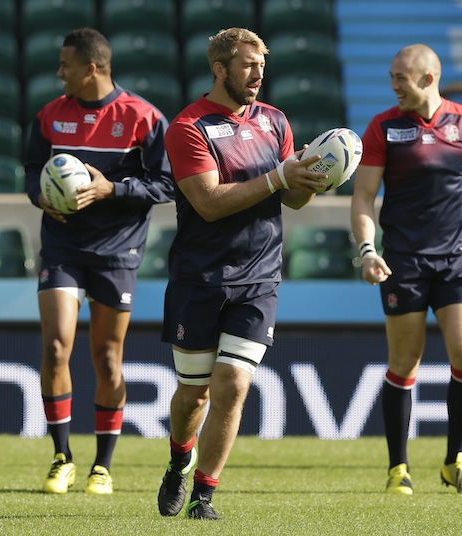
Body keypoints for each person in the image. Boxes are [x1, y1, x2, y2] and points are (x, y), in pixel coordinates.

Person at [156, 27, 328, 520]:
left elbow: (292, 198)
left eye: (261, 66)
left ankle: (203, 496)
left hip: (259, 276)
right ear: (220, 68)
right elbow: (208, 203)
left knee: (233, 382)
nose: (258, 74)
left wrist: (318, 176)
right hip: (200, 277)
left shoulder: (275, 121)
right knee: (194, 393)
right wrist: (278, 177)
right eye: (248, 65)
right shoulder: (188, 126)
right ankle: (178, 460)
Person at [350, 44, 462, 496]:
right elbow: (363, 196)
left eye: (400, 78)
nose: (393, 86)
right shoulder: (383, 126)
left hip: (456, 261)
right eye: (390, 77)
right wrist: (367, 250)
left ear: (428, 79)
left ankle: (454, 460)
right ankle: (397, 469)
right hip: (402, 264)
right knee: (404, 363)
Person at [24, 27, 174, 495]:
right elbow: (31, 169)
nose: (58, 73)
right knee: (55, 347)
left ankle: (102, 466)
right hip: (64, 247)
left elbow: (167, 185)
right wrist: (40, 196)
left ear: (91, 68)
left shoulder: (143, 118)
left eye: (65, 65)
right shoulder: (50, 114)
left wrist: (114, 188)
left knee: (108, 358)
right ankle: (62, 457)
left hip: (117, 251)